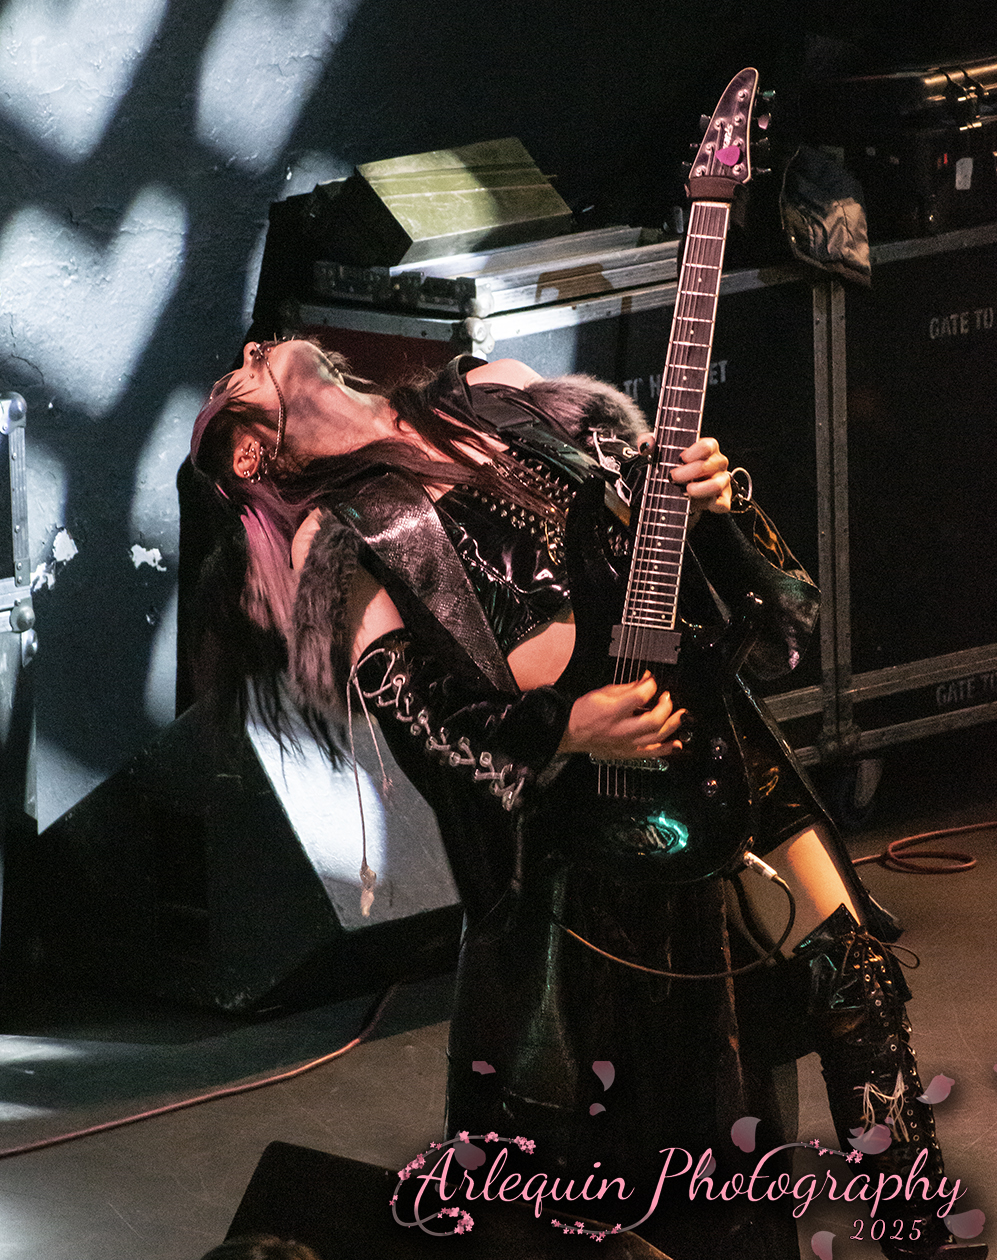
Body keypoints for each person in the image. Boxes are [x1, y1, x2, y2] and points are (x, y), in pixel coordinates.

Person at [185, 338, 983, 1260]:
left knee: (852, 969)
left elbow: (666, 523)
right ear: (252, 454)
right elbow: (421, 717)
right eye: (235, 374)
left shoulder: (496, 391)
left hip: (702, 725)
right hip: (572, 817)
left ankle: (917, 1233)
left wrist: (715, 497)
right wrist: (562, 729)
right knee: (624, 1100)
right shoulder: (337, 532)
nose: (255, 347)